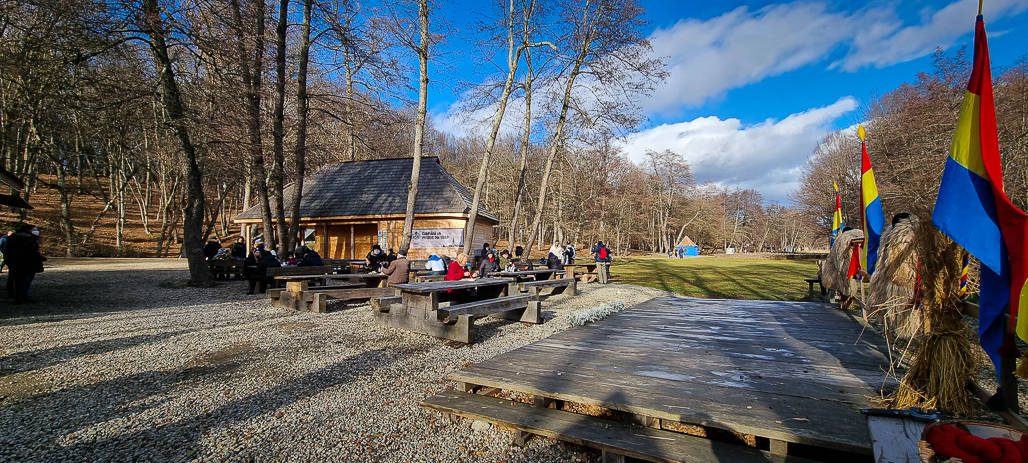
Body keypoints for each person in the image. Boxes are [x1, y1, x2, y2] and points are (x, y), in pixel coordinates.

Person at [6, 225, 45, 303]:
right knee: (26, 280)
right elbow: (32, 251)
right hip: (28, 262)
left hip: (15, 262)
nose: (36, 231)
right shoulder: (29, 238)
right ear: (28, 230)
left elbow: (8, 251)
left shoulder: (12, 237)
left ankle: (18, 297)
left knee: (17, 281)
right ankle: (23, 296)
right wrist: (40, 257)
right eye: (34, 229)